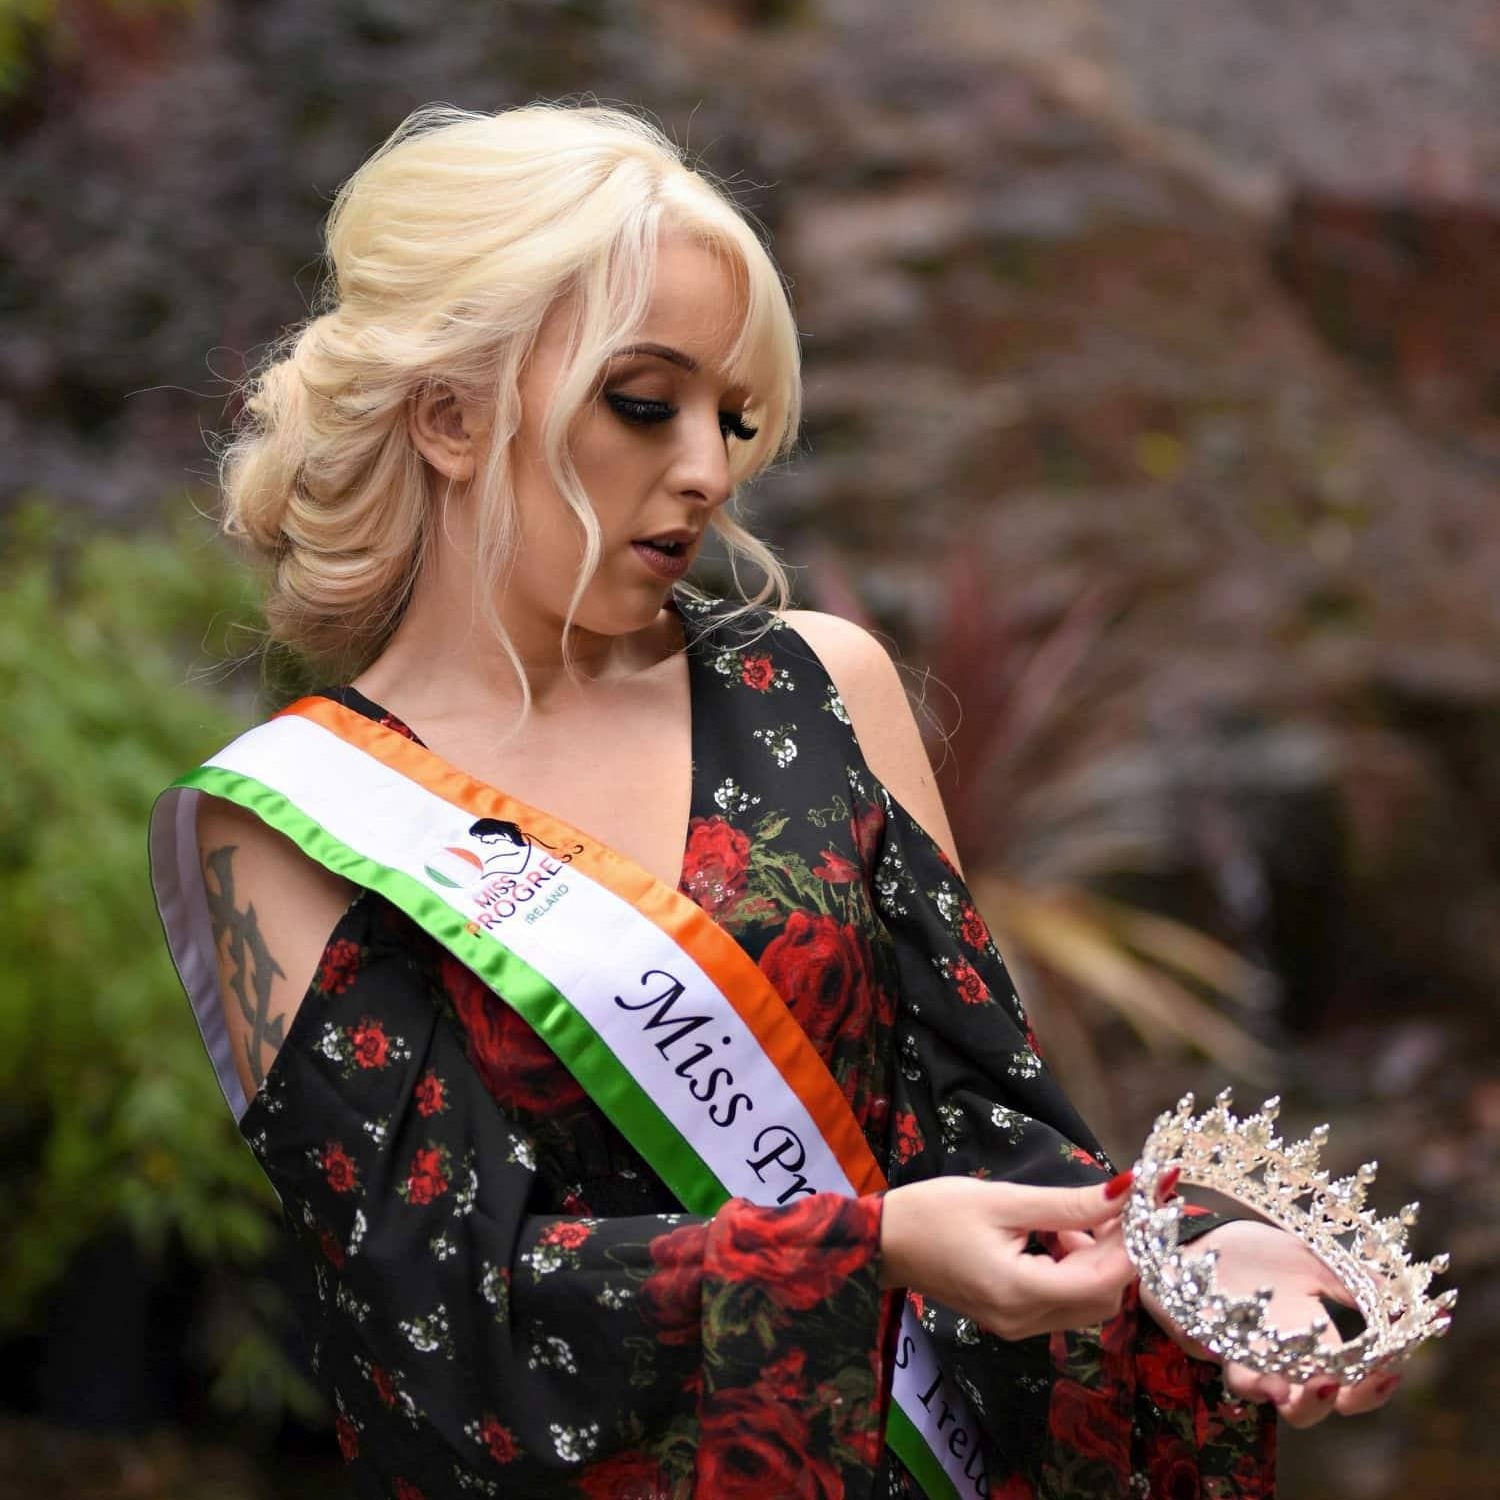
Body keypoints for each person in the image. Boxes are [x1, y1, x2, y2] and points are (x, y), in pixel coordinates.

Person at [150, 102, 1400, 1500]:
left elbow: (989, 1138)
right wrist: (871, 1252)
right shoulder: (290, 821)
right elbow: (440, 1323)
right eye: (646, 403)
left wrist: (1184, 1266)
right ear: (449, 414)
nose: (709, 468)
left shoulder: (820, 687)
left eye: (732, 417)